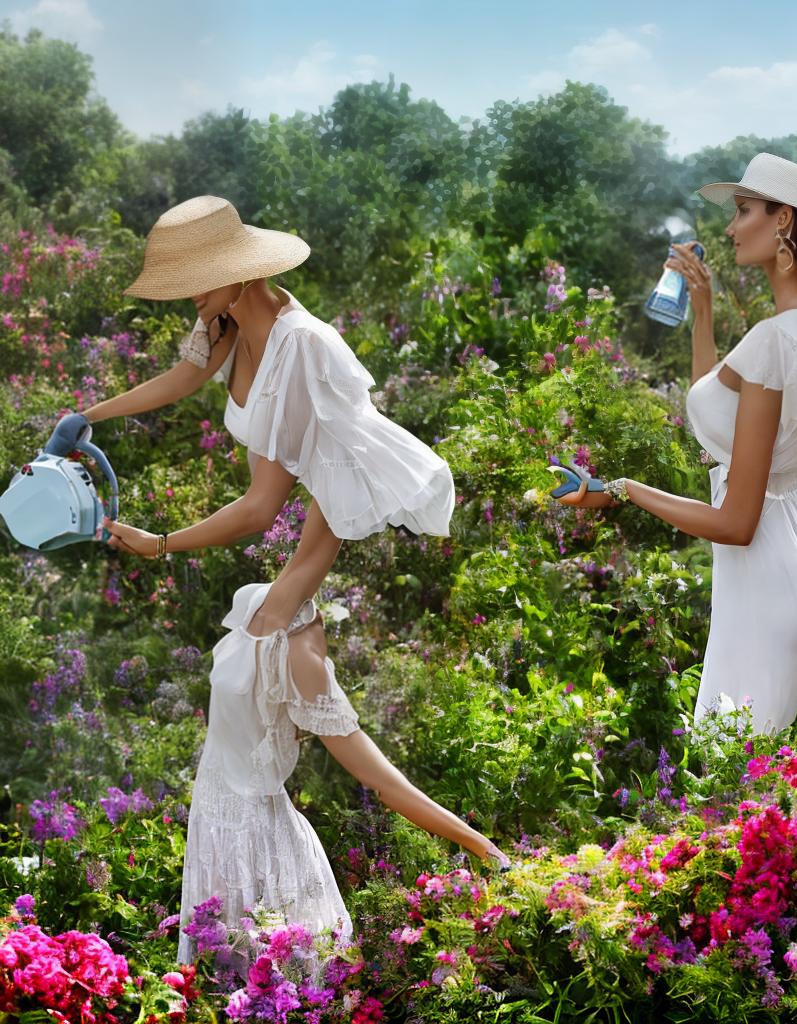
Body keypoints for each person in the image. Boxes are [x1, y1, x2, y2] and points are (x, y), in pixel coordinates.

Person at [46, 195, 510, 963]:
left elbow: (267, 506)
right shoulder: (258, 607)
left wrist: (160, 543)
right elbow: (184, 377)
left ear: (239, 272)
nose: (193, 296)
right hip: (223, 860)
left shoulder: (298, 649)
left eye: (201, 278)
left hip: (264, 881)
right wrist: (86, 416)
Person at [556, 153, 797, 736]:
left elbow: (736, 523)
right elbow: (721, 425)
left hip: (767, 593)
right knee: (790, 801)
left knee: (736, 795)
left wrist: (621, 489)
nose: (730, 227)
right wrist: (701, 313)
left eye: (744, 210)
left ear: (783, 221)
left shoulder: (771, 342)